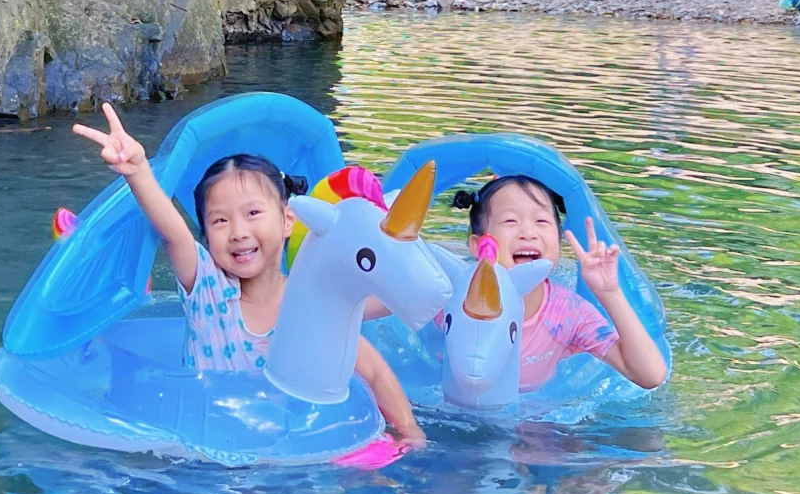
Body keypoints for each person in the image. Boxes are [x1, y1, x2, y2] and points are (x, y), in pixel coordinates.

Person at [73, 103, 425, 444]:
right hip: (209, 447)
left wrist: (410, 434)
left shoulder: (311, 305)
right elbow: (173, 232)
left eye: (253, 213)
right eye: (220, 220)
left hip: (286, 450)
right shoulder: (207, 288)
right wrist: (137, 171)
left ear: (288, 220)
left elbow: (375, 372)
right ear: (207, 237)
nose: (239, 231)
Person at [452, 176, 667, 391]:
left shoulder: (567, 314)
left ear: (559, 240)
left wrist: (609, 292)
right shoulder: (453, 297)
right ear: (479, 245)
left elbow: (651, 376)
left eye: (541, 221)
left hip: (535, 420)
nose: (528, 233)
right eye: (510, 221)